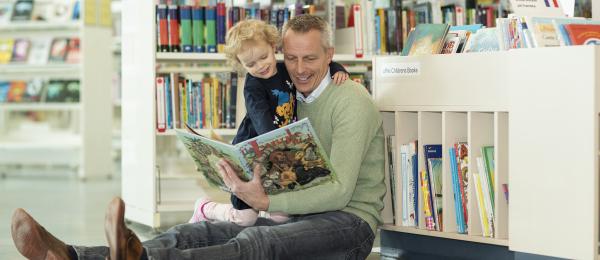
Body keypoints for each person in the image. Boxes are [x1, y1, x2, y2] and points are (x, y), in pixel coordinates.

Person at [11, 14, 386, 260]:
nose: (300, 69)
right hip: (296, 213)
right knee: (201, 231)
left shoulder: (350, 100)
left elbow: (338, 192)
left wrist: (266, 200)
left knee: (255, 243)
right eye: (291, 58)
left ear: (330, 56)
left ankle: (139, 259)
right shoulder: (288, 93)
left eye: (312, 59)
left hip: (348, 224)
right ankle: (71, 254)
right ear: (280, 53)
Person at [189, 19, 349, 227]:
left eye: (264, 57)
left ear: (274, 47)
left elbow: (321, 62)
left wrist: (338, 69)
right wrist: (279, 144)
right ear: (241, 64)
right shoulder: (253, 86)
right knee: (245, 218)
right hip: (253, 152)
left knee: (282, 215)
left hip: (280, 150)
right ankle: (206, 209)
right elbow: (261, 120)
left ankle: (267, 236)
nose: (260, 66)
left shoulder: (285, 70)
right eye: (250, 64)